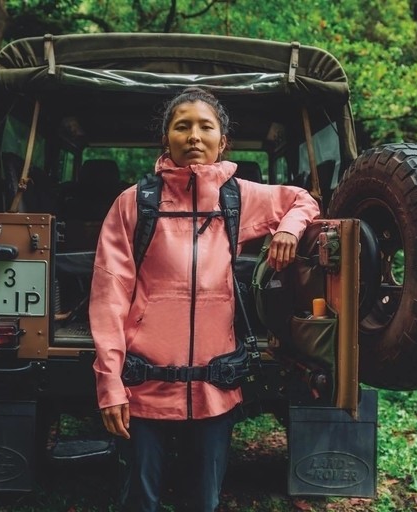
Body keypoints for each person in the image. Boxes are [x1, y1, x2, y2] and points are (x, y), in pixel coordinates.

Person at [89, 87, 320, 511]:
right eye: (182, 126)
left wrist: (288, 229)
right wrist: (110, 384)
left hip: (215, 388)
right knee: (140, 500)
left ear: (222, 141)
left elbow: (302, 200)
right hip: (144, 386)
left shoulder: (238, 197)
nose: (194, 136)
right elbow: (109, 298)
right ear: (166, 138)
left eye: (205, 127)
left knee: (204, 501)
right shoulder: (133, 203)